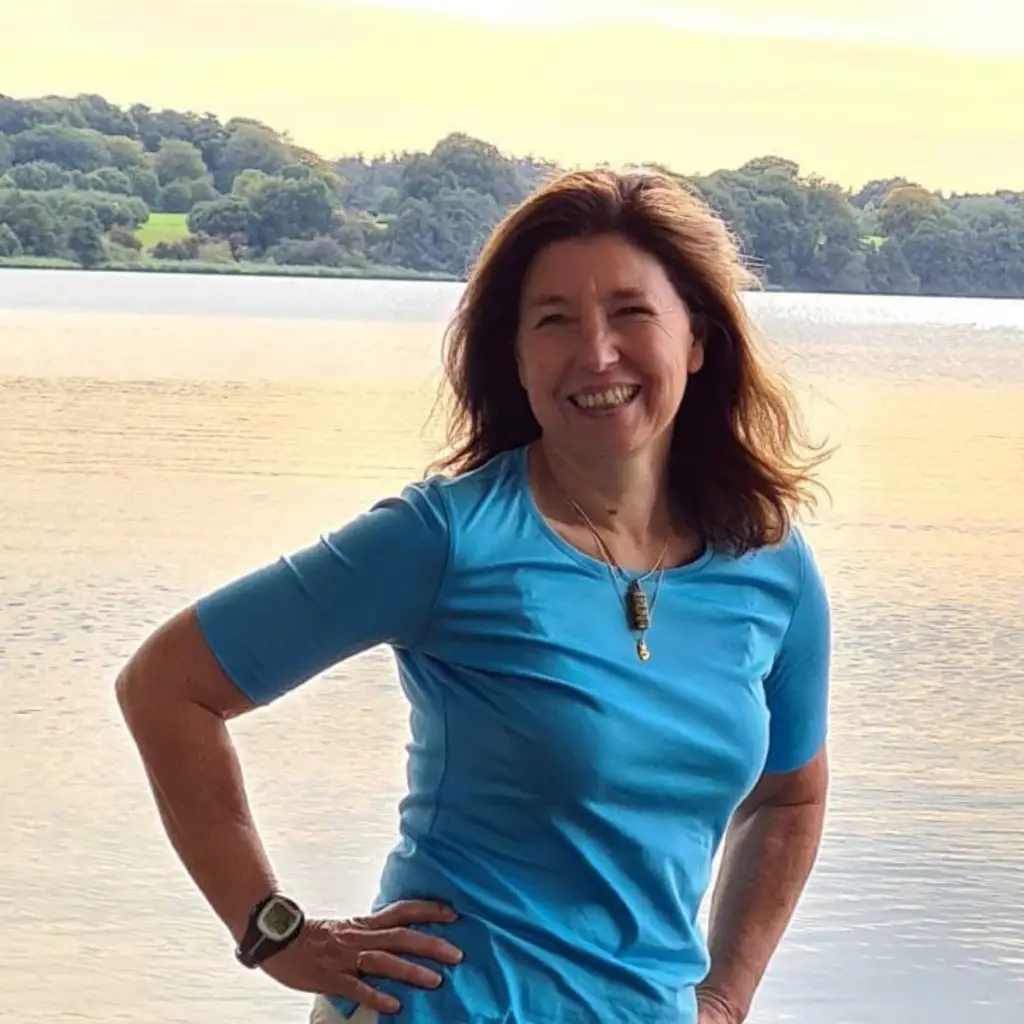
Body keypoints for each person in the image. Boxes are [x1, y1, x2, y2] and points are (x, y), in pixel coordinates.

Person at [116, 167, 833, 1024]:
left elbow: (790, 795)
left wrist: (724, 996)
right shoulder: (446, 540)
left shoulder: (767, 560)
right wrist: (276, 933)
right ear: (518, 358)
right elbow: (167, 687)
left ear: (699, 340)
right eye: (554, 320)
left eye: (631, 312)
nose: (596, 352)